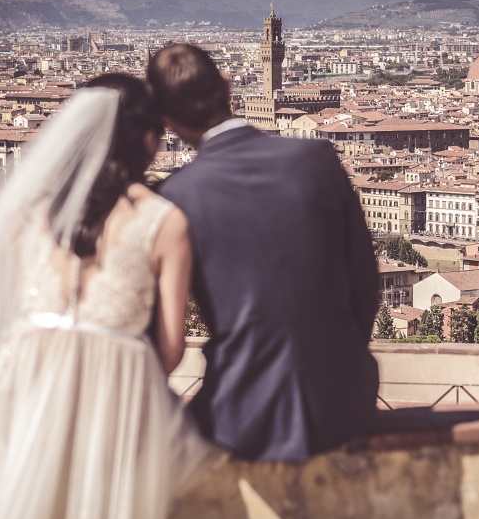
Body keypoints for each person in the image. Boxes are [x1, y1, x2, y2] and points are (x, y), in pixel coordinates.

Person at [0, 73, 216, 519]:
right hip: (118, 398)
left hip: (30, 392)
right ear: (145, 137)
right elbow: (169, 348)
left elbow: (5, 315)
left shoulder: (23, 214)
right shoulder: (164, 220)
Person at [149, 43, 380, 462]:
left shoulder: (175, 196)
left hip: (240, 413)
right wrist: (338, 361)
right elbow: (366, 285)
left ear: (166, 120)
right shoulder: (317, 159)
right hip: (346, 400)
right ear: (226, 83)